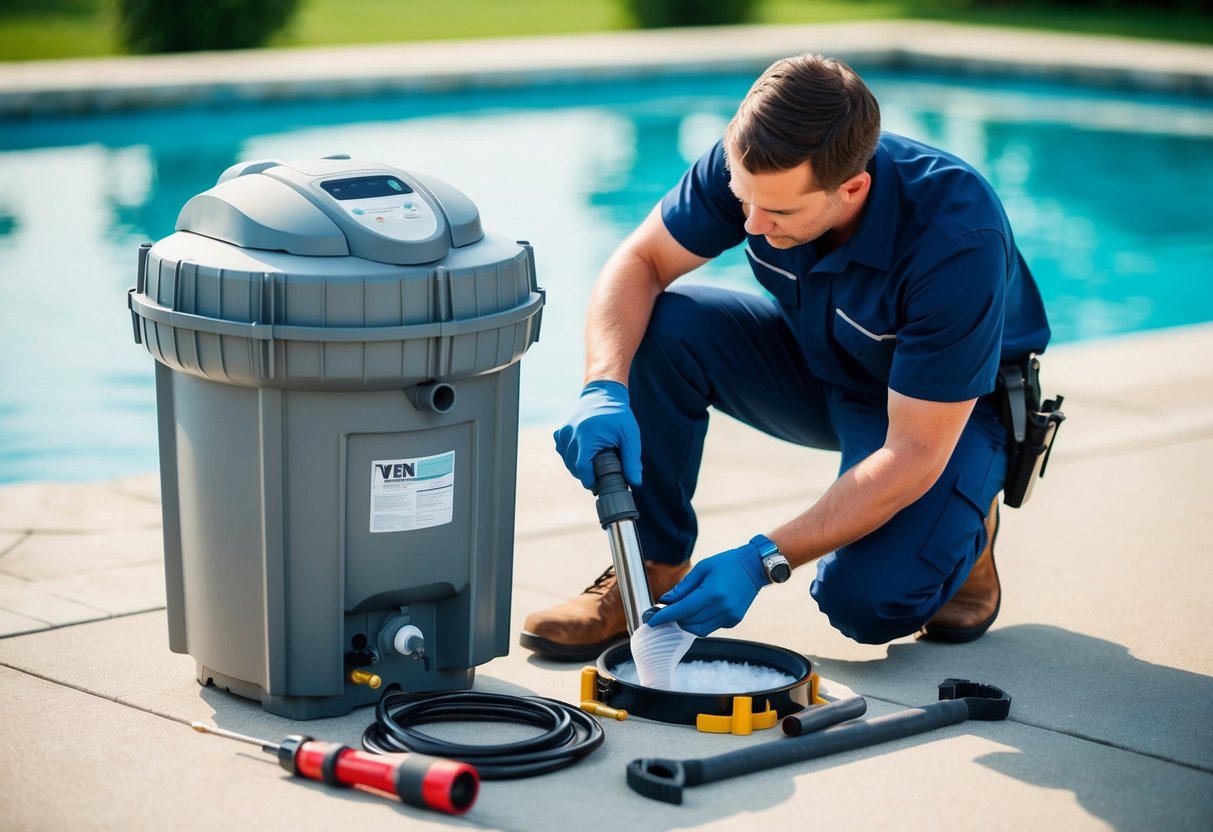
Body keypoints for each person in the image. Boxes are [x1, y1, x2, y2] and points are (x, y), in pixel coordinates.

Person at [519, 53, 1051, 662]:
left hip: (945, 415)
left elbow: (914, 451)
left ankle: (968, 528)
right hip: (823, 363)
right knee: (664, 325)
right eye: (743, 199)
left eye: (778, 213)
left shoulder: (955, 238)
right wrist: (603, 387)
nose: (750, 223)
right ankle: (652, 568)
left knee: (867, 602)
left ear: (852, 187)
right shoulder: (754, 165)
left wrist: (760, 560)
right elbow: (639, 262)